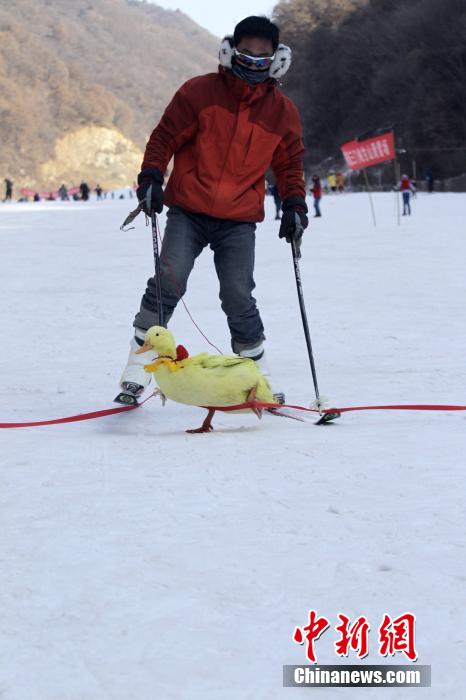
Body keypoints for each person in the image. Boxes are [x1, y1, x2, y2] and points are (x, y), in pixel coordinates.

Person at [117, 15, 307, 404]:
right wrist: (151, 176)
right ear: (230, 51)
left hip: (238, 220)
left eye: (262, 56)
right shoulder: (199, 93)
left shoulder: (281, 111)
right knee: (168, 283)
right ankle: (139, 369)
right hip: (189, 210)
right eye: (246, 54)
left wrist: (294, 203)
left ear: (277, 59)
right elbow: (165, 136)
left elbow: (290, 164)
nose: (254, 62)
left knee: (238, 294)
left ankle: (258, 378)